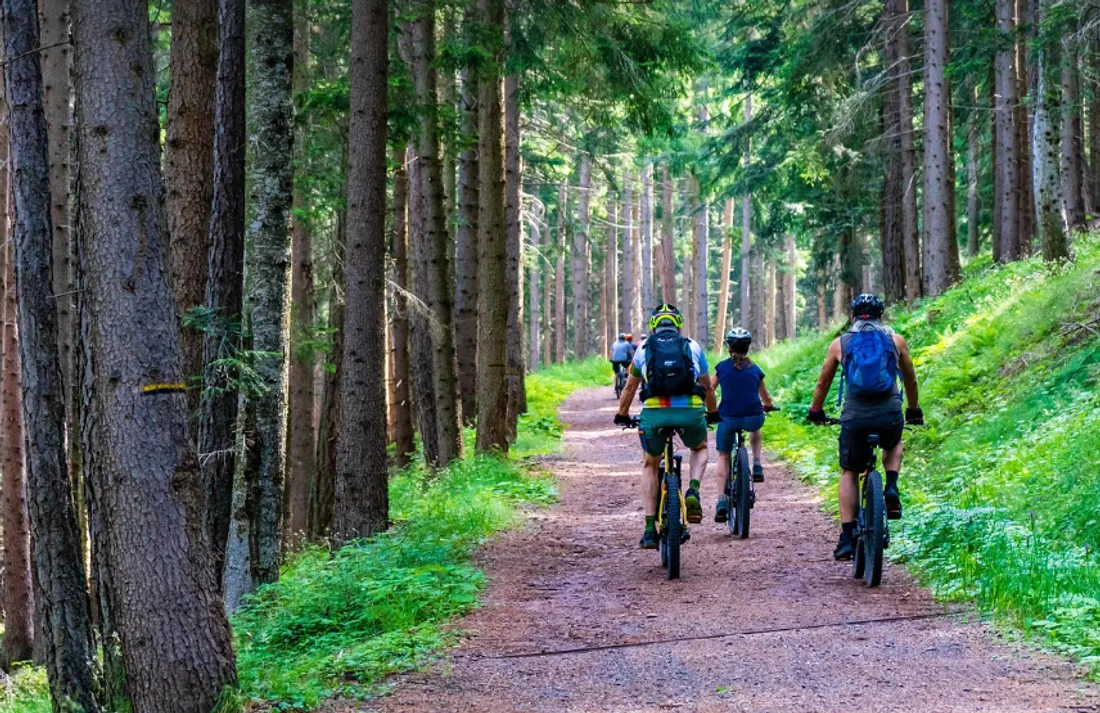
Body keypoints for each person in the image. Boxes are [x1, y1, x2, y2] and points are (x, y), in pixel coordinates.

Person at [806, 294, 923, 561]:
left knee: (849, 470)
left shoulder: (840, 343)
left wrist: (815, 411)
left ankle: (847, 537)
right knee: (893, 442)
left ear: (853, 315)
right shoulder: (896, 341)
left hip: (855, 417)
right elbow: (911, 380)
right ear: (882, 314)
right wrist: (913, 410)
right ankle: (891, 486)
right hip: (888, 413)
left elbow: (822, 383)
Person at [614, 304, 717, 549]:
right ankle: (692, 490)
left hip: (655, 414)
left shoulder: (643, 349)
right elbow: (707, 386)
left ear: (653, 326)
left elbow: (629, 387)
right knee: (700, 447)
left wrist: (622, 414)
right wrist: (712, 413)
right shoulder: (692, 346)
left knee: (650, 463)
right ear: (678, 325)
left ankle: (649, 529)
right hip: (690, 412)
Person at [711, 327, 774, 523]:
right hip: (753, 417)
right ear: (748, 347)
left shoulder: (721, 368)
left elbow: (710, 390)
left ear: (729, 347)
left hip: (727, 418)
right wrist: (769, 406)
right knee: (756, 426)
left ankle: (721, 499)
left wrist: (710, 411)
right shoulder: (755, 369)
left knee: (723, 455)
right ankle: (756, 463)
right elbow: (765, 397)